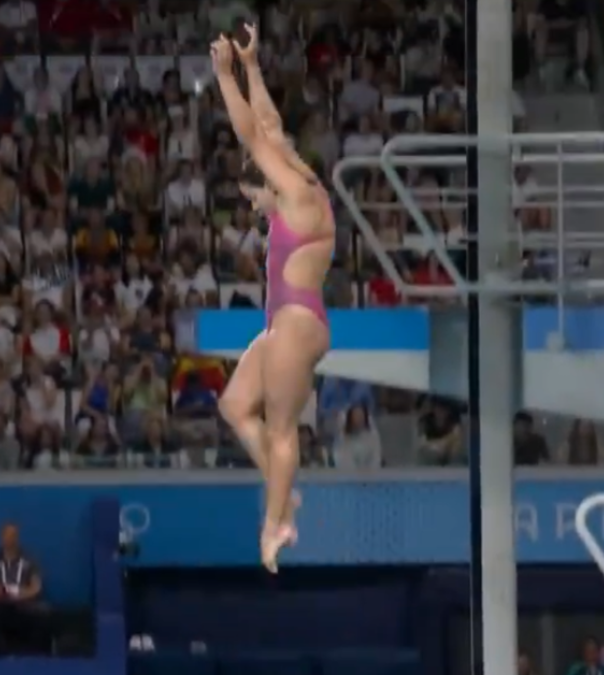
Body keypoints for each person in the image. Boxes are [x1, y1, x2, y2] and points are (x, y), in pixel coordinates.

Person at [211, 26, 335, 574]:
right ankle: (283, 492)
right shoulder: (297, 184)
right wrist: (253, 66)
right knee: (234, 405)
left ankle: (276, 521)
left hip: (298, 324)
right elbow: (268, 128)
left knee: (282, 429)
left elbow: (250, 134)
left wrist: (223, 76)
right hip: (281, 325)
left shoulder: (303, 193)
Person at [0, 523, 49, 655]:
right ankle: (0, 654)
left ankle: (34, 656)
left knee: (43, 612)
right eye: (6, 535)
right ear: (1, 537)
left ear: (17, 537)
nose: (9, 539)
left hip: (23, 603)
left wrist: (20, 595)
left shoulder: (29, 559)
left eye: (13, 535)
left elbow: (36, 587)